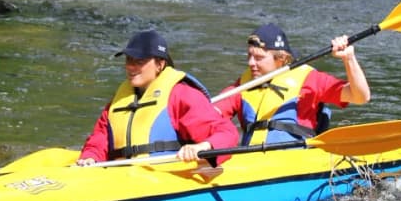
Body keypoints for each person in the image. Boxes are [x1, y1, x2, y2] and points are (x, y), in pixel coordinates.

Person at [76, 29, 239, 166]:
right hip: (123, 176)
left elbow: (226, 132)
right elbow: (99, 139)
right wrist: (91, 156)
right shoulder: (119, 101)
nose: (130, 67)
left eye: (139, 61)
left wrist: (203, 146)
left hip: (165, 176)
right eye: (128, 60)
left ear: (160, 65)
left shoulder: (181, 95)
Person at [216, 23, 371, 146]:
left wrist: (348, 58)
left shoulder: (310, 79)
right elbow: (213, 112)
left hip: (295, 162)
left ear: (281, 58)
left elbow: (360, 97)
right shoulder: (243, 85)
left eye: (258, 58)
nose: (251, 63)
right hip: (251, 163)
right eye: (249, 55)